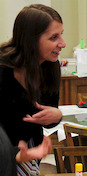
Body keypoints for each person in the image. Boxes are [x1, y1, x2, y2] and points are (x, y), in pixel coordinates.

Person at [0, 4, 66, 174]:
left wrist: (57, 115)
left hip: (29, 155)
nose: (63, 44)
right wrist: (15, 155)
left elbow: (49, 113)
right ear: (31, 39)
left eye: (61, 35)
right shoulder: (3, 71)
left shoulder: (51, 67)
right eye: (54, 37)